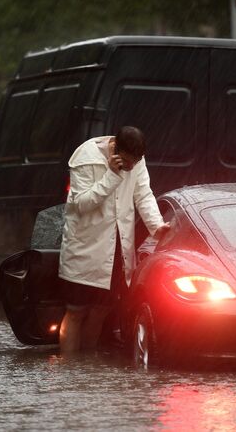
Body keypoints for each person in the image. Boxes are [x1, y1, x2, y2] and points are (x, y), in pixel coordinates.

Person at [58, 126, 170, 354]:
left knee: (100, 311)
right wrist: (111, 176)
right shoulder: (86, 158)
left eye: (134, 163)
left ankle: (87, 366)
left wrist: (156, 226)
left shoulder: (137, 162)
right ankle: (68, 373)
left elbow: (144, 195)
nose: (130, 167)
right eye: (127, 162)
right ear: (115, 151)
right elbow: (81, 204)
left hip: (116, 247)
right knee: (76, 311)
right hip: (85, 245)